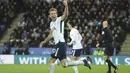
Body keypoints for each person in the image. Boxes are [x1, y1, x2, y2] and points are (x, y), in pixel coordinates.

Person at [39, 0, 91, 73]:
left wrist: (66, 6)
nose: (53, 15)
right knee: (64, 64)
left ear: (56, 14)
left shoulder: (59, 20)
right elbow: (51, 35)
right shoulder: (51, 24)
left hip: (60, 44)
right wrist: (44, 41)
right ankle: (83, 62)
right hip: (61, 45)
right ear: (50, 15)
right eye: (52, 14)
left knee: (51, 60)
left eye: (54, 13)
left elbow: (66, 14)